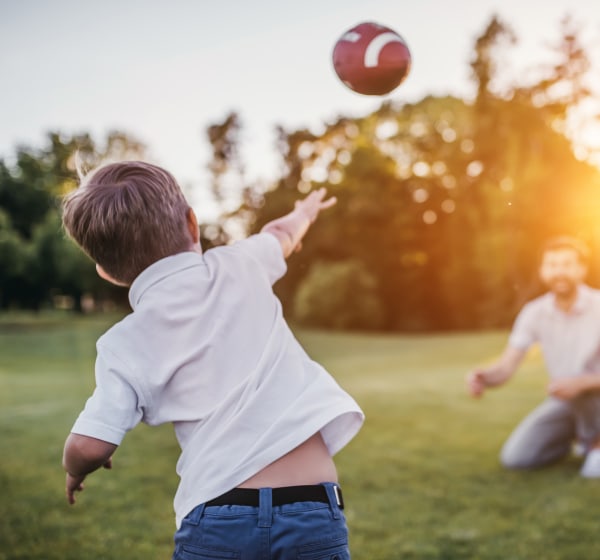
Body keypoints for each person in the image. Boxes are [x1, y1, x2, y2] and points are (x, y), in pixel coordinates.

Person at [61, 160, 364, 558]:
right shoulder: (240, 264)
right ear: (192, 223)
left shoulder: (125, 342)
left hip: (217, 520)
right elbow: (280, 234)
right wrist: (303, 214)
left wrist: (74, 469)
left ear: (106, 272)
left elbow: (89, 446)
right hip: (310, 509)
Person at [466, 236, 600, 478]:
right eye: (552, 265)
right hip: (565, 403)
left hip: (597, 398)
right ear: (542, 270)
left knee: (588, 395)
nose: (559, 271)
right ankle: (580, 440)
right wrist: (485, 377)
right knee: (516, 458)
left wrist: (582, 382)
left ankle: (595, 445)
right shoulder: (534, 313)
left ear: (582, 269)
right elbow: (507, 367)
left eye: (567, 264)